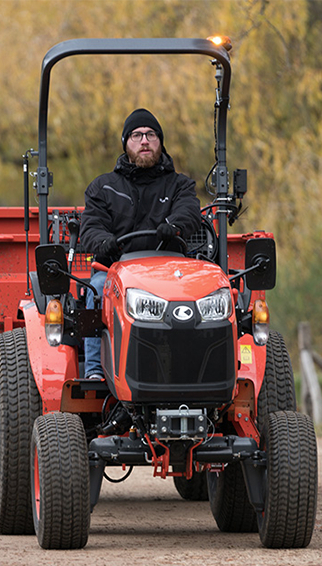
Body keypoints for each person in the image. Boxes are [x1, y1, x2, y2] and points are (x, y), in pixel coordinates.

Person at [79, 108, 201, 379]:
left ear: (160, 142)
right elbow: (90, 227)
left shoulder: (179, 185)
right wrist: (104, 242)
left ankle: (194, 370)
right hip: (117, 271)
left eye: (151, 135)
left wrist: (175, 227)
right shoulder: (103, 187)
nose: (144, 141)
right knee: (97, 288)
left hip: (169, 271)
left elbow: (189, 212)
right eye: (136, 135)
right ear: (126, 143)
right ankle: (97, 370)